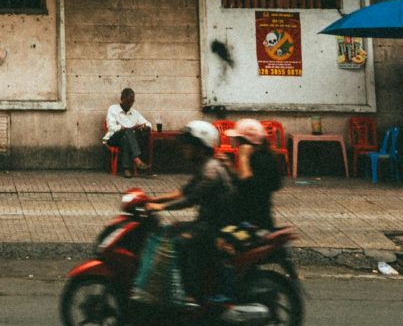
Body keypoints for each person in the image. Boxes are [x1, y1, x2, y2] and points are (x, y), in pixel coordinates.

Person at [152, 120, 235, 306]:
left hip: (216, 224)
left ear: (201, 147)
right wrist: (152, 200)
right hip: (206, 221)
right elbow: (183, 191)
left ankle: (193, 294)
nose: (185, 149)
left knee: (181, 241)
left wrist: (161, 207)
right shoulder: (204, 166)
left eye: (189, 145)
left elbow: (191, 199)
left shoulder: (211, 170)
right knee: (169, 230)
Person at [229, 118, 282, 230]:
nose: (236, 143)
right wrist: (230, 168)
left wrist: (243, 158)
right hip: (257, 216)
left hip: (253, 220)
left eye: (238, 139)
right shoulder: (264, 155)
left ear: (245, 141)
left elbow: (247, 185)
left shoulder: (259, 159)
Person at [103, 86, 154, 178]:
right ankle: (137, 160)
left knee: (126, 138)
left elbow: (149, 124)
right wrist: (123, 128)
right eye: (127, 102)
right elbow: (111, 127)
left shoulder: (135, 113)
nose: (129, 105)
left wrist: (144, 126)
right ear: (122, 99)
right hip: (113, 138)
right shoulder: (113, 109)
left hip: (125, 140)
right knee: (127, 131)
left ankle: (127, 169)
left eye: (132, 102)